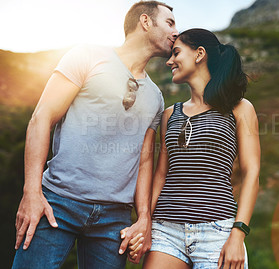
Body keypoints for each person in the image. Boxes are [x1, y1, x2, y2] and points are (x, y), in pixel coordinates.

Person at [12, 1, 178, 268]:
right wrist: (31, 191)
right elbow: (42, 118)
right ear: (145, 22)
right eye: (169, 23)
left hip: (114, 220)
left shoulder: (156, 97)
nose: (176, 32)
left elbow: (145, 159)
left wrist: (144, 217)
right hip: (57, 203)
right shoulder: (87, 56)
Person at [128, 28, 260, 269]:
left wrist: (238, 234)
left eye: (176, 52)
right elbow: (161, 175)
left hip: (217, 231)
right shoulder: (170, 114)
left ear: (199, 54)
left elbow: (251, 173)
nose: (169, 61)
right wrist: (145, 223)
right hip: (166, 230)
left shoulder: (239, 108)